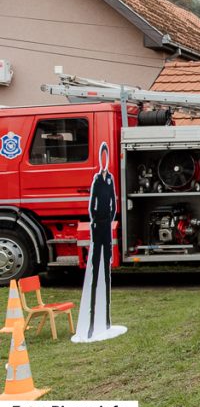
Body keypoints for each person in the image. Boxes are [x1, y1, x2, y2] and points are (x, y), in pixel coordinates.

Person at [86, 142, 116, 339]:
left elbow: (113, 201)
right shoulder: (97, 180)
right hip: (98, 227)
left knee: (106, 271)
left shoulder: (110, 180)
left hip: (106, 227)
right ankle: (91, 320)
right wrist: (95, 220)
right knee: (96, 271)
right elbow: (91, 205)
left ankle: (105, 319)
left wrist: (109, 219)